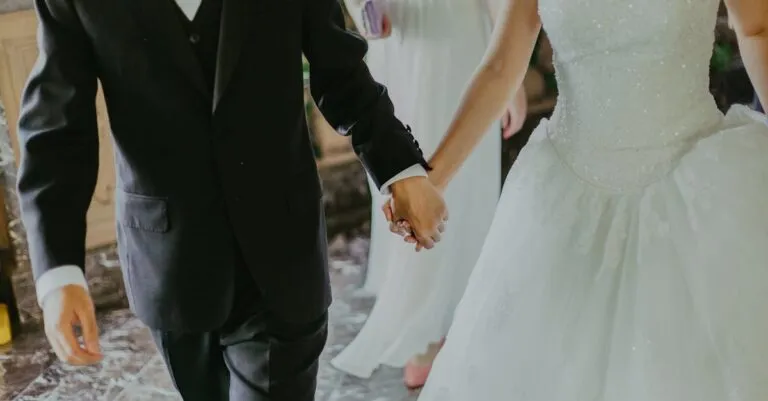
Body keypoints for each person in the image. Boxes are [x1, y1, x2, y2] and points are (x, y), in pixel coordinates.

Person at [14, 0, 449, 399]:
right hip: (169, 265)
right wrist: (58, 273)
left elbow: (340, 72)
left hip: (282, 253)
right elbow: (57, 128)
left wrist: (399, 169)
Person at [391, 0, 768, 399]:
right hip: (564, 201)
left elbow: (757, 29)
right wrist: (432, 180)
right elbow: (501, 67)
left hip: (697, 194)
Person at [331, 0, 527, 389]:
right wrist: (513, 78)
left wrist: (363, 9)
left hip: (401, 40)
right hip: (443, 37)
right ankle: (437, 327)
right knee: (450, 174)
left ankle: (431, 324)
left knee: (413, 169)